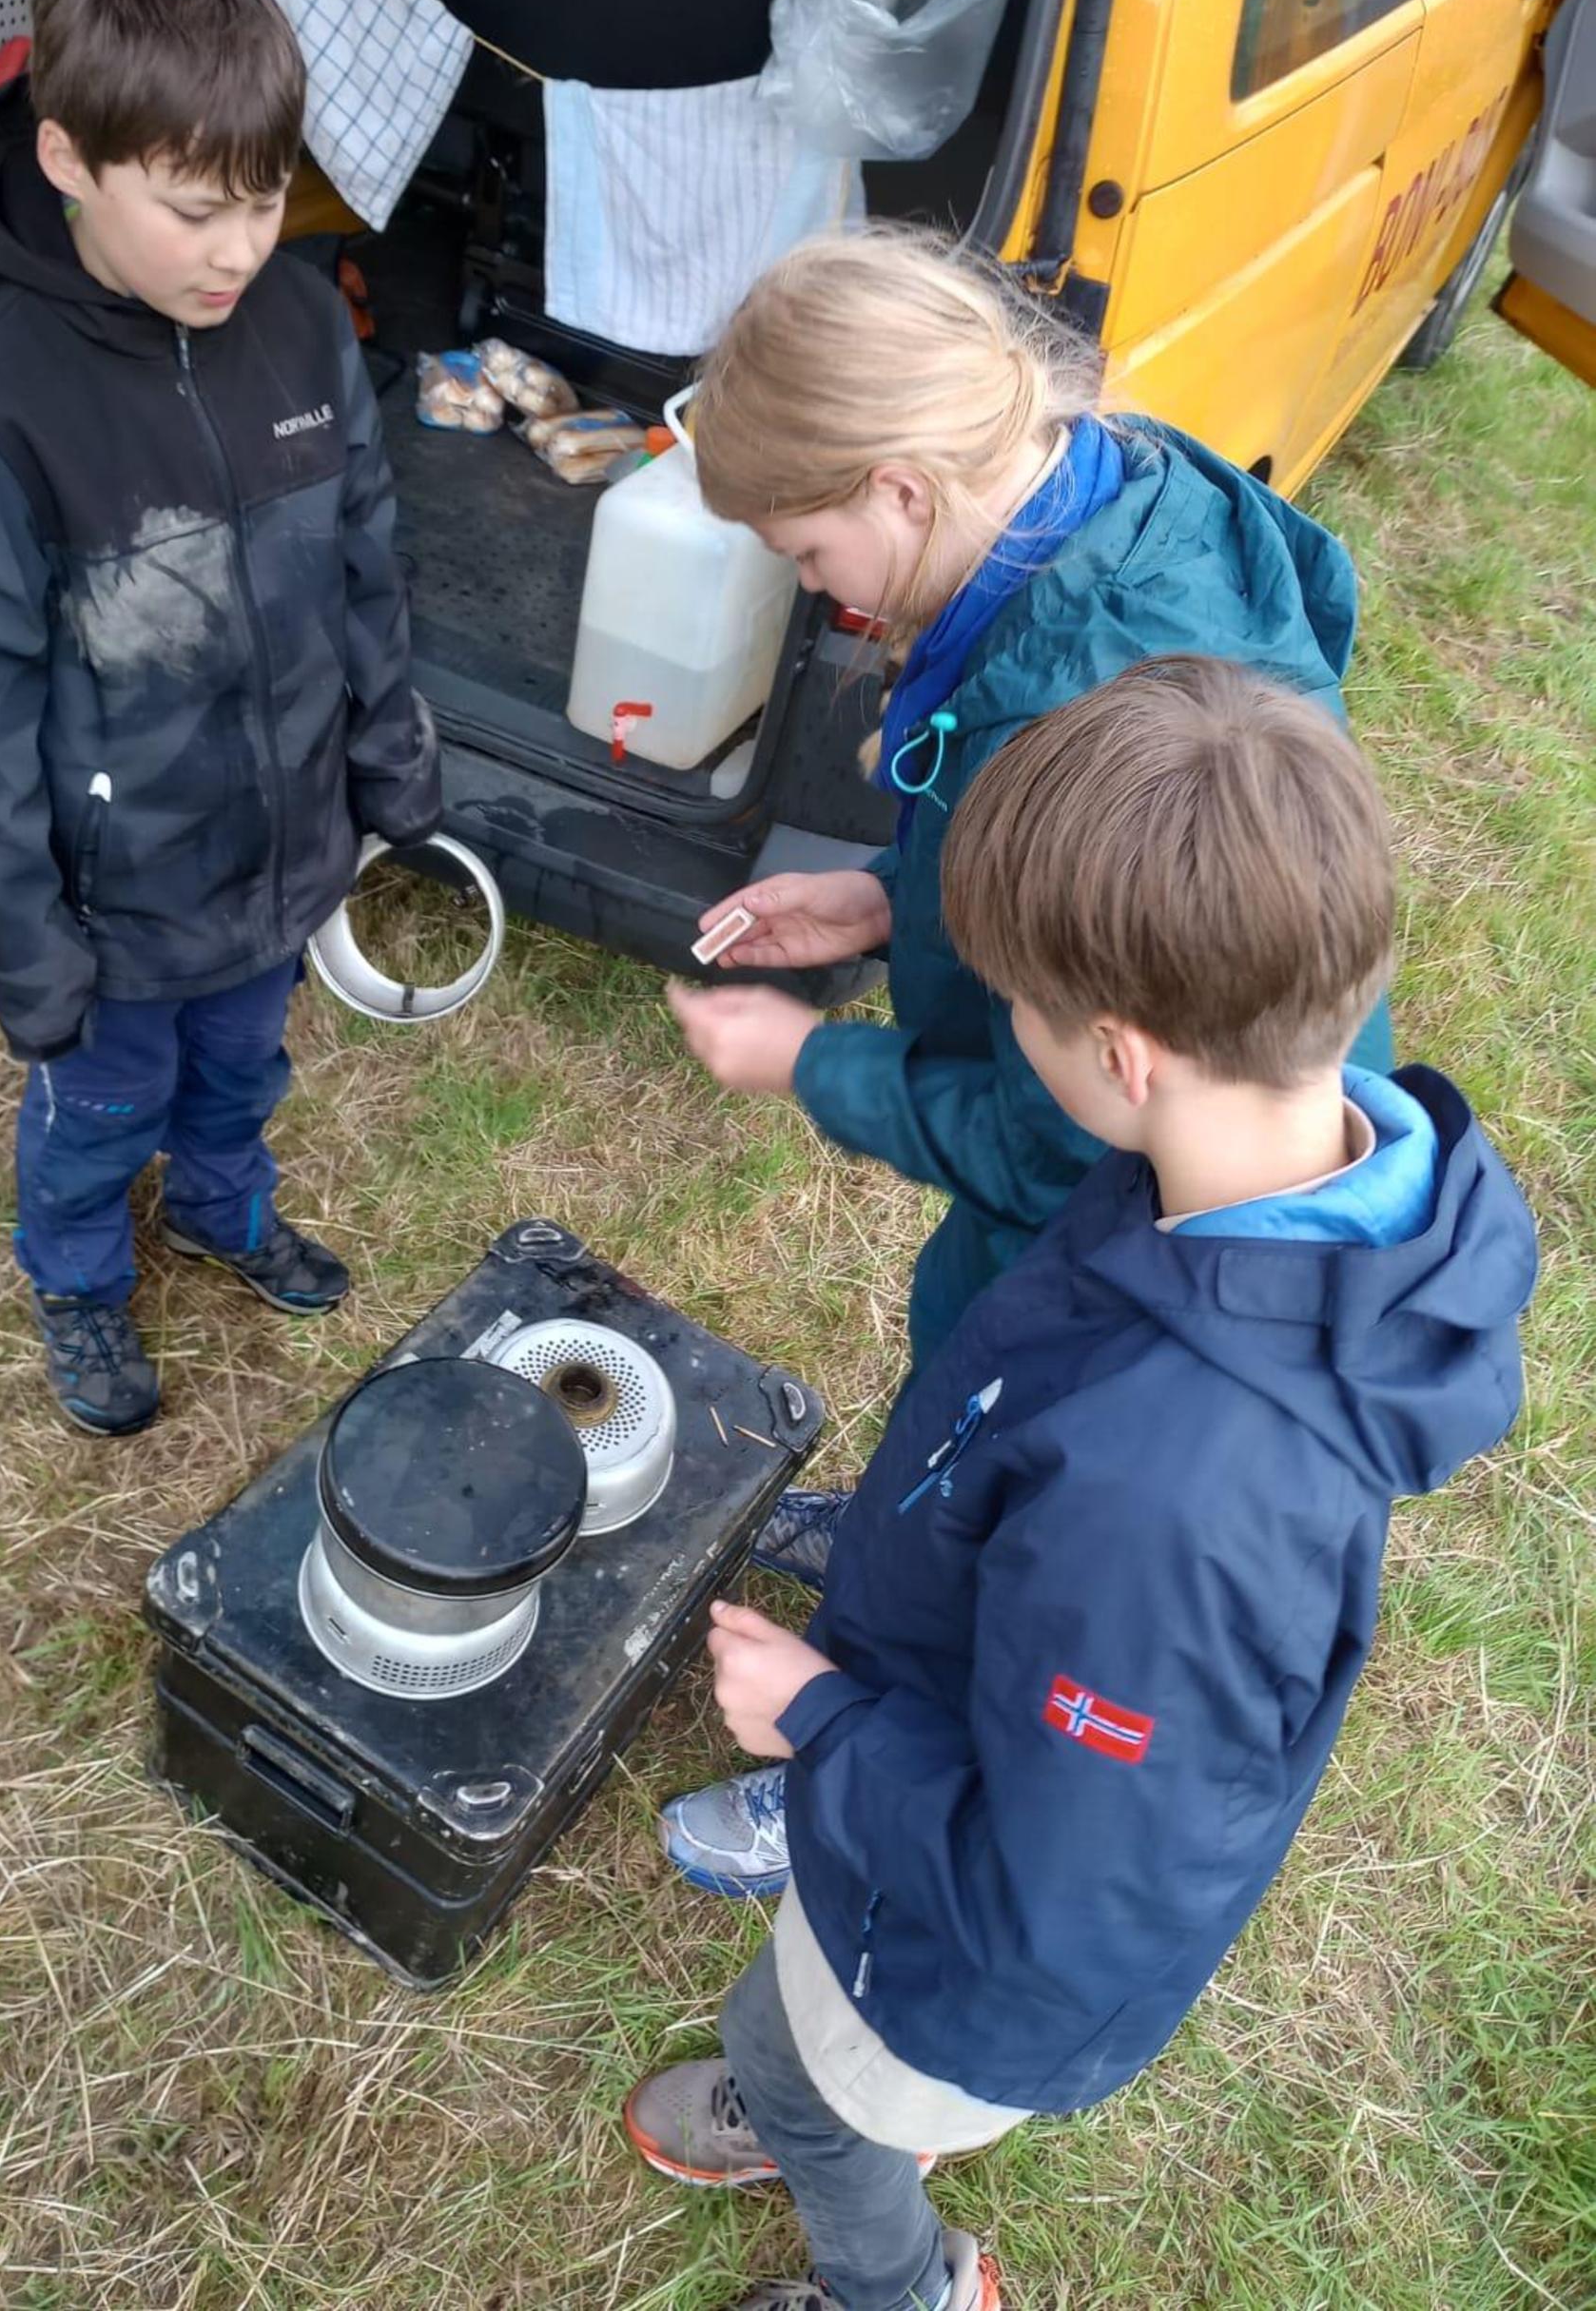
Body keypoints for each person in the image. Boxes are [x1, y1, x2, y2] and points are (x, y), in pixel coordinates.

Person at [628, 657, 1535, 2311]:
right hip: (958, 1740)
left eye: (1015, 1017)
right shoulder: (1247, 1174)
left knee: (829, 2081)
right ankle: (805, 2092)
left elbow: (1055, 1903)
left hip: (965, 1964)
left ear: (1119, 1056)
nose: (1009, 1045)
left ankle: (889, 2271)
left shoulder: (1174, 1505)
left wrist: (819, 1722)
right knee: (793, 2027)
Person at [665, 225, 1393, 1638]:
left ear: (899, 487)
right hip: (1111, 1159)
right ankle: (902, 1532)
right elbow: (1052, 876)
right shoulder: (1089, 502)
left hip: (1146, 1220)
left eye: (810, 551)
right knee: (968, 1358)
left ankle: (871, 1703)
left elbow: (1060, 1145)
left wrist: (805, 1061)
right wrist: (890, 894)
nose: (817, 589)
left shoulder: (1078, 696)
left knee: (1023, 1457)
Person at [0, 0, 439, 1435]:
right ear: (66, 158)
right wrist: (30, 950)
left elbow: (364, 560)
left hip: (276, 848)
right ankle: (74, 1268)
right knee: (100, 1101)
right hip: (116, 897)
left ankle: (221, 1206)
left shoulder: (304, 324)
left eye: (262, 199)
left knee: (244, 1064)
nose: (238, 248)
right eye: (194, 209)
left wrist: (388, 759)